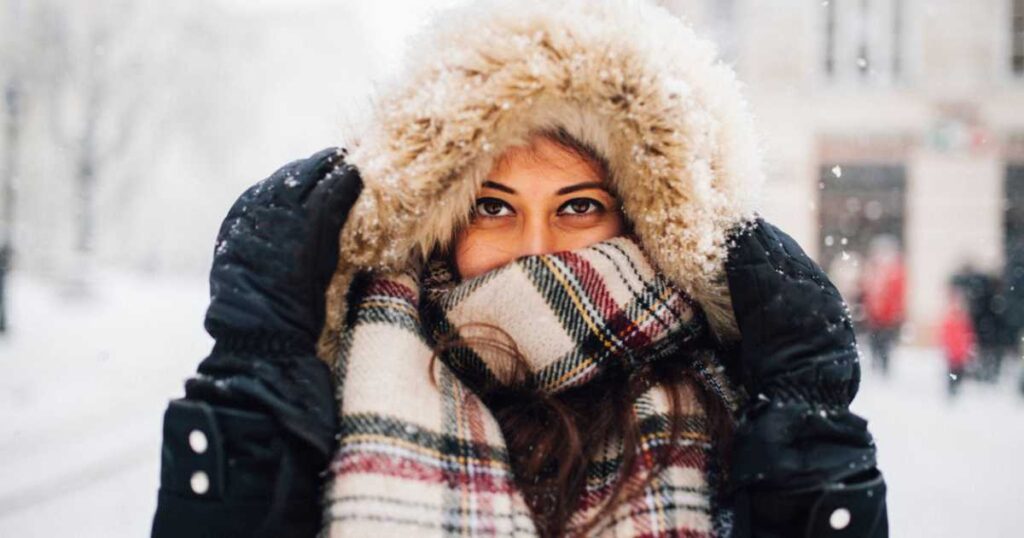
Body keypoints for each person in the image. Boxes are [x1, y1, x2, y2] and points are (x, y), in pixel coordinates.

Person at [151, 1, 887, 537]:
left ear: (644, 220)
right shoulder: (342, 386)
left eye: (578, 207)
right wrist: (256, 382)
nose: (535, 248)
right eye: (494, 209)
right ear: (437, 222)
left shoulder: (724, 408)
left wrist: (808, 441)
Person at [860, 236, 906, 375]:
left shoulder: (895, 272)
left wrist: (894, 312)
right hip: (874, 315)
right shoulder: (873, 269)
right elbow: (867, 290)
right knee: (875, 342)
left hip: (888, 316)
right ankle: (877, 365)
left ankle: (884, 367)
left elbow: (897, 295)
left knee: (885, 343)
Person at [939, 285, 975, 397]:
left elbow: (968, 336)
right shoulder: (951, 319)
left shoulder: (964, 319)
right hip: (953, 354)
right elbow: (946, 336)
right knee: (952, 373)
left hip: (960, 354)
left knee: (959, 374)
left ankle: (956, 391)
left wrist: (966, 350)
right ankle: (951, 391)